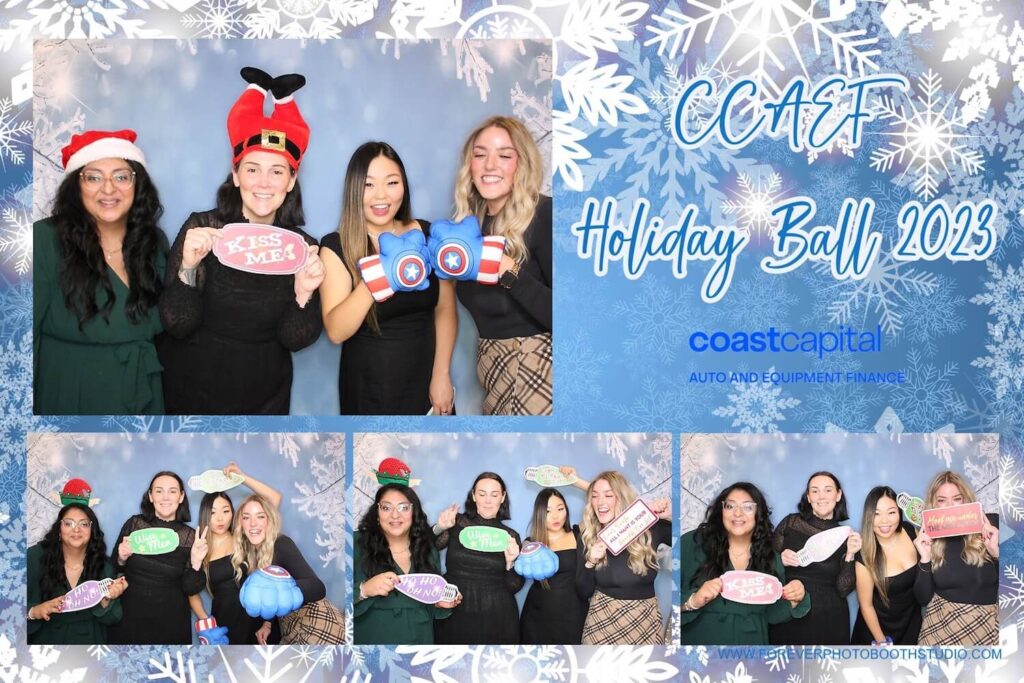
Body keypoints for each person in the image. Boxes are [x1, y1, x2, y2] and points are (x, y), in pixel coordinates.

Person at [158, 67, 324, 414]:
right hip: (193, 382)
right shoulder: (202, 228)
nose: (263, 182)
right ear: (235, 175)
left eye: (277, 171)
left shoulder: (302, 249)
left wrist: (304, 292)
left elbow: (295, 340)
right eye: (252, 169)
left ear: (291, 181)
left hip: (265, 392)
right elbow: (176, 324)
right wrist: (189, 267)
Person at [34, 129, 167, 415]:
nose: (108, 189)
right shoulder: (43, 240)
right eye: (94, 177)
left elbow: (172, 321)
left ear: (137, 184)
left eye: (121, 176)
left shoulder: (154, 243)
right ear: (76, 185)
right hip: (70, 391)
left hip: (142, 392)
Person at [319, 141, 456, 415]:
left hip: (427, 383)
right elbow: (335, 331)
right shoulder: (337, 246)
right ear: (354, 190)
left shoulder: (427, 234)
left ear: (403, 187)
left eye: (392, 183)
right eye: (368, 185)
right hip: (368, 389)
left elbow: (445, 310)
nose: (381, 196)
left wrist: (441, 375)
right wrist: (379, 275)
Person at [449, 116, 552, 415]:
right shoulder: (470, 228)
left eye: (504, 155)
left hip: (538, 368)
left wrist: (511, 273)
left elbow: (573, 317)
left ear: (521, 164)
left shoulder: (545, 215)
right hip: (490, 367)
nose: (490, 165)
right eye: (480, 155)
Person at [681, 482, 809, 645]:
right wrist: (692, 601)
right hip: (700, 650)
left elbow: (772, 614)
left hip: (750, 650)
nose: (738, 513)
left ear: (758, 513)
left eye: (748, 507)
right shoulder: (691, 544)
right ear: (722, 510)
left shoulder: (770, 557)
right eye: (730, 506)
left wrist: (795, 596)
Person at [188, 462, 282, 644]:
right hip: (225, 623)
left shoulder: (244, 536)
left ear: (233, 513)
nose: (220, 518)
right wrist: (208, 625)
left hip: (259, 620)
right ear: (206, 514)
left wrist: (241, 477)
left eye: (226, 511)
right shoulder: (199, 546)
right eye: (214, 512)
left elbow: (274, 499)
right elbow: (191, 592)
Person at [107, 472, 206, 644]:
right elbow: (113, 569)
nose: (165, 497)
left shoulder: (190, 537)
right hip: (130, 619)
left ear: (181, 496)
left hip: (170, 624)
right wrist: (122, 559)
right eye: (159, 491)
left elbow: (190, 588)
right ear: (151, 496)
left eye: (172, 491)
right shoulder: (135, 525)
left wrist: (196, 563)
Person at [353, 484, 459, 644]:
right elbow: (339, 599)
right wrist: (364, 590)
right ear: (377, 513)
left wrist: (438, 603)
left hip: (419, 642)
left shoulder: (428, 549)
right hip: (373, 643)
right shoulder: (356, 544)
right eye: (386, 507)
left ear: (413, 512)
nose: (395, 515)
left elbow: (428, 607)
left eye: (403, 507)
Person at [576, 470, 672, 645]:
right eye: (595, 496)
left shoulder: (650, 527)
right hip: (602, 620)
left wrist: (671, 518)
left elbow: (691, 544)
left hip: (645, 619)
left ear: (621, 498)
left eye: (608, 495)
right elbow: (583, 591)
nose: (600, 502)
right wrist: (591, 561)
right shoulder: (588, 536)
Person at [231, 494, 341, 644]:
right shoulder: (252, 553)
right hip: (290, 627)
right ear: (241, 524)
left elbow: (318, 587)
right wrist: (267, 624)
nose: (253, 523)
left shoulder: (281, 544)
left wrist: (286, 589)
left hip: (316, 622)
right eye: (246, 517)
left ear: (269, 521)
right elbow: (275, 599)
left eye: (260, 516)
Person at [432, 472, 524, 644]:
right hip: (454, 607)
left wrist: (510, 564)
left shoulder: (510, 537)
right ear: (474, 496)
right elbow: (424, 548)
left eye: (494, 495)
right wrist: (439, 527)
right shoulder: (456, 523)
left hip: (496, 615)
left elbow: (514, 586)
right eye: (482, 494)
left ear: (502, 497)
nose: (488, 500)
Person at [770, 471, 860, 645]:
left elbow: (843, 589)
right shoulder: (790, 523)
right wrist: (780, 559)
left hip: (828, 617)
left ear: (838, 495)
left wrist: (850, 554)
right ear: (808, 497)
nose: (821, 497)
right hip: (790, 607)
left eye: (828, 490)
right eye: (815, 491)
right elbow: (764, 567)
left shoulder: (846, 536)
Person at [914, 471, 998, 646]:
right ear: (934, 504)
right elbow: (922, 599)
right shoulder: (928, 539)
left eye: (957, 498)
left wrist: (996, 552)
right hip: (940, 629)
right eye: (942, 500)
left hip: (987, 628)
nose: (950, 506)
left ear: (966, 500)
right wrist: (925, 558)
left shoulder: (992, 526)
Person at [27, 504, 128, 643]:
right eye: (69, 523)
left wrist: (105, 600)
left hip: (89, 645)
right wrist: (34, 612)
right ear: (59, 530)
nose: (76, 529)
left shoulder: (104, 566)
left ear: (92, 530)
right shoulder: (34, 557)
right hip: (45, 646)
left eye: (84, 524)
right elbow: (8, 605)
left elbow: (113, 618)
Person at [851, 486, 922, 645]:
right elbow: (866, 605)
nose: (885, 521)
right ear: (869, 516)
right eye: (876, 514)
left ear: (899, 512)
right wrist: (882, 643)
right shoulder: (864, 552)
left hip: (911, 626)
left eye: (891, 512)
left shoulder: (910, 531)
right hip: (877, 635)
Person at [519, 487, 587, 644]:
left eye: (560, 508)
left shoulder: (579, 533)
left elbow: (601, 501)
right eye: (548, 511)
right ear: (540, 514)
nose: (555, 516)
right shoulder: (531, 543)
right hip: (537, 617)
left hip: (573, 614)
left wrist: (575, 481)